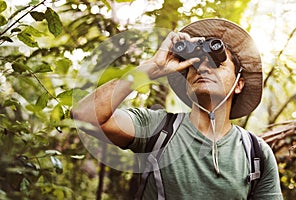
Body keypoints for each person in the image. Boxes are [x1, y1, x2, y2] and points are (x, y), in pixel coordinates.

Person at [71, 18, 283, 199]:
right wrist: (152, 68)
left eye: (217, 63)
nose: (204, 67)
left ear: (239, 84)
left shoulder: (256, 153)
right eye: (196, 61)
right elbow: (85, 115)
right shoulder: (157, 128)